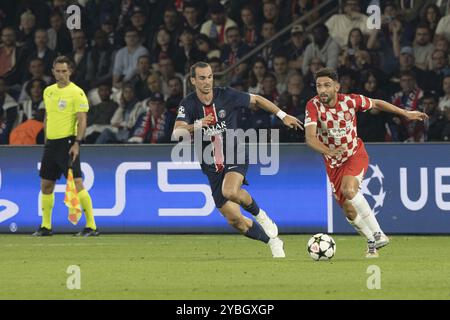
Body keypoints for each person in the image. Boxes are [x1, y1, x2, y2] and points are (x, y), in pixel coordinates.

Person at [172, 62, 303, 258]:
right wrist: (197, 124)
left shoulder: (226, 95)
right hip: (211, 164)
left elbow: (257, 99)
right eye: (202, 78)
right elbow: (177, 132)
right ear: (193, 80)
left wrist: (282, 115)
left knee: (230, 191)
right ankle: (273, 241)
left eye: (209, 76)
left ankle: (261, 216)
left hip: (235, 153)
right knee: (236, 221)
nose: (207, 81)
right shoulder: (188, 103)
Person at [304, 67, 428, 258]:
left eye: (327, 85)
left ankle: (378, 234)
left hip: (354, 153)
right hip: (333, 162)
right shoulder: (312, 106)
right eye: (319, 86)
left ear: (337, 87)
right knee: (349, 212)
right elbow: (310, 138)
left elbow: (376, 103)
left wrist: (405, 112)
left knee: (349, 189)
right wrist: (329, 151)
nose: (322, 90)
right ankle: (371, 240)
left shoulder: (350, 101)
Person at [32, 56, 99, 237]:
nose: (61, 74)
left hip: (68, 143)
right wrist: (46, 139)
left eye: (64, 71)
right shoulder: (48, 91)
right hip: (51, 144)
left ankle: (91, 226)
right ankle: (46, 226)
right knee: (46, 185)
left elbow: (82, 119)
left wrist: (77, 143)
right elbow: (48, 116)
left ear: (70, 71)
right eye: (57, 71)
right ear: (53, 71)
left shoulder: (76, 92)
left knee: (77, 182)